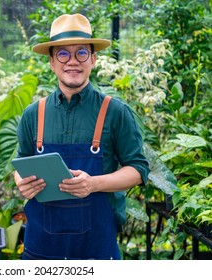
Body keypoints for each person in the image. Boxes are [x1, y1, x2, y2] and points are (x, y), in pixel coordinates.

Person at [14, 14, 150, 260]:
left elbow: (138, 169)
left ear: (93, 59)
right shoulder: (33, 114)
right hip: (41, 252)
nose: (72, 62)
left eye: (81, 53)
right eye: (63, 54)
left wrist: (93, 184)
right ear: (52, 62)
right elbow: (21, 161)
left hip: (96, 251)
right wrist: (22, 183)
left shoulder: (115, 112)